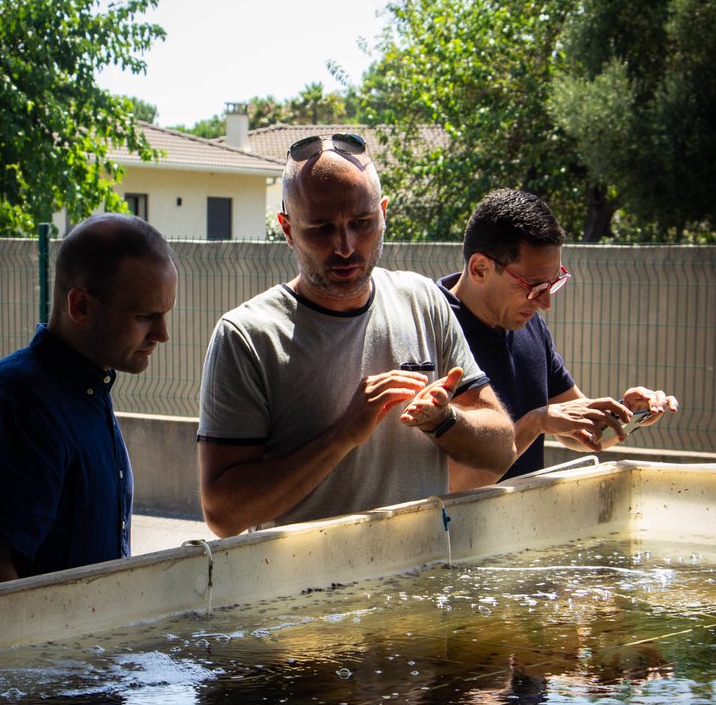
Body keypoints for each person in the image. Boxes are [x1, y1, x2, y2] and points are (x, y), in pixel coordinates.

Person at [197, 133, 515, 537]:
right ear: (287, 229)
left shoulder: (424, 302)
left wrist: (444, 420)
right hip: (306, 596)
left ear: (383, 214)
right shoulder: (247, 336)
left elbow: (501, 449)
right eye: (320, 229)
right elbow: (223, 515)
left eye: (361, 224)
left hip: (421, 587)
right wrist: (343, 435)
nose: (345, 247)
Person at [0, 213, 178, 590]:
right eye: (144, 316)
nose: (162, 334)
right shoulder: (16, 405)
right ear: (81, 307)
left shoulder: (86, 391)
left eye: (164, 314)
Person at [436, 188, 678, 489]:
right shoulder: (430, 330)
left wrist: (625, 413)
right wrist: (536, 422)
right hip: (453, 532)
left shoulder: (529, 325)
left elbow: (577, 431)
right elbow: (450, 483)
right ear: (480, 269)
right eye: (535, 287)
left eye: (554, 283)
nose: (546, 304)